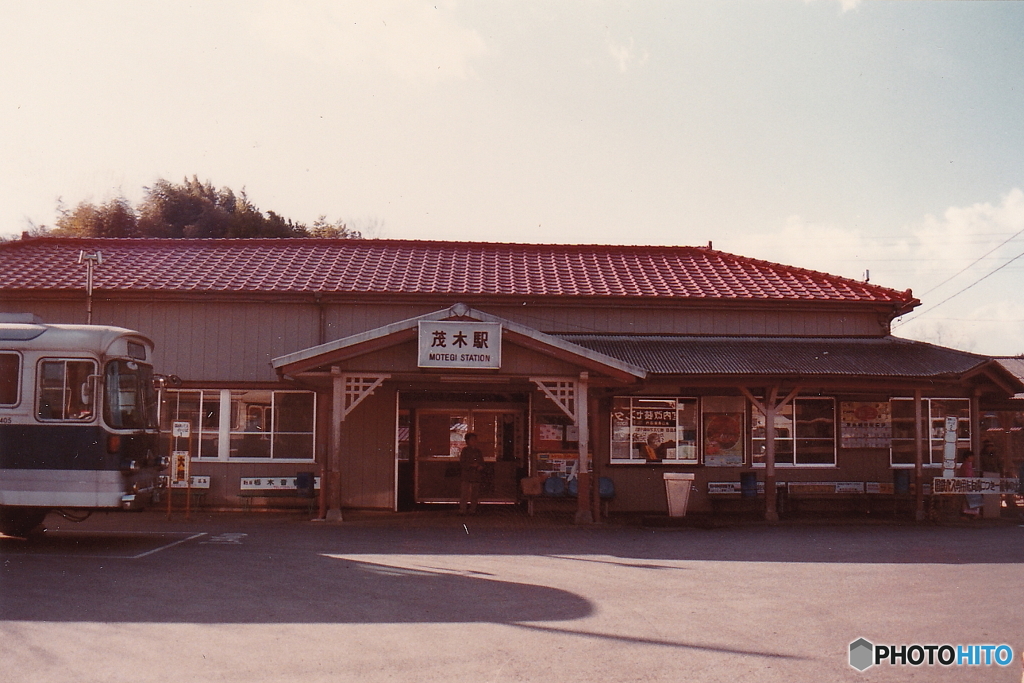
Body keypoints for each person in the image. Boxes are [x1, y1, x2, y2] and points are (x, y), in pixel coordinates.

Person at [459, 432, 484, 515]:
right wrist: (471, 465)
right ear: (467, 441)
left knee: (474, 494)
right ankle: (463, 510)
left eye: (475, 439)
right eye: (472, 439)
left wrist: (480, 466)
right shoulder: (465, 451)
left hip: (476, 476)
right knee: (464, 494)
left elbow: (482, 462)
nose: (474, 441)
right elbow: (462, 463)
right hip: (466, 475)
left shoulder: (478, 451)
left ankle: (473, 509)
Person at [957, 451, 981, 518]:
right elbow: (968, 475)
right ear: (967, 457)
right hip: (968, 484)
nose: (973, 458)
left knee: (968, 499)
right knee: (970, 499)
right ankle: (970, 514)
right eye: (971, 456)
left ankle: (968, 513)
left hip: (968, 484)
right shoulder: (966, 465)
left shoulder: (967, 465)